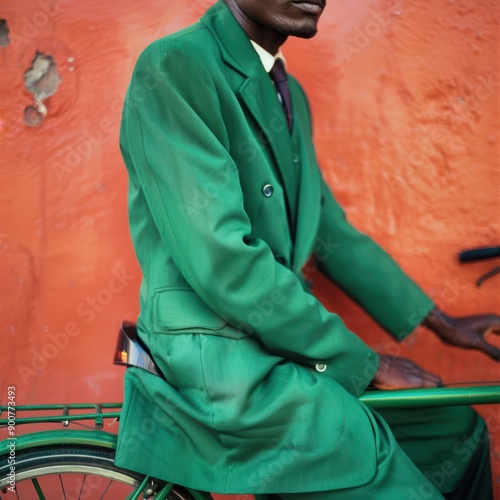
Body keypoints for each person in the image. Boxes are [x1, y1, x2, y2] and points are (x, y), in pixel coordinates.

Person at [114, 0, 500, 498]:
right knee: (379, 464)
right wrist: (371, 365)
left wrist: (442, 323)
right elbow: (225, 264)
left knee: (457, 433)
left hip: (283, 347)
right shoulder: (176, 65)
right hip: (222, 363)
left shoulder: (286, 90)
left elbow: (329, 232)